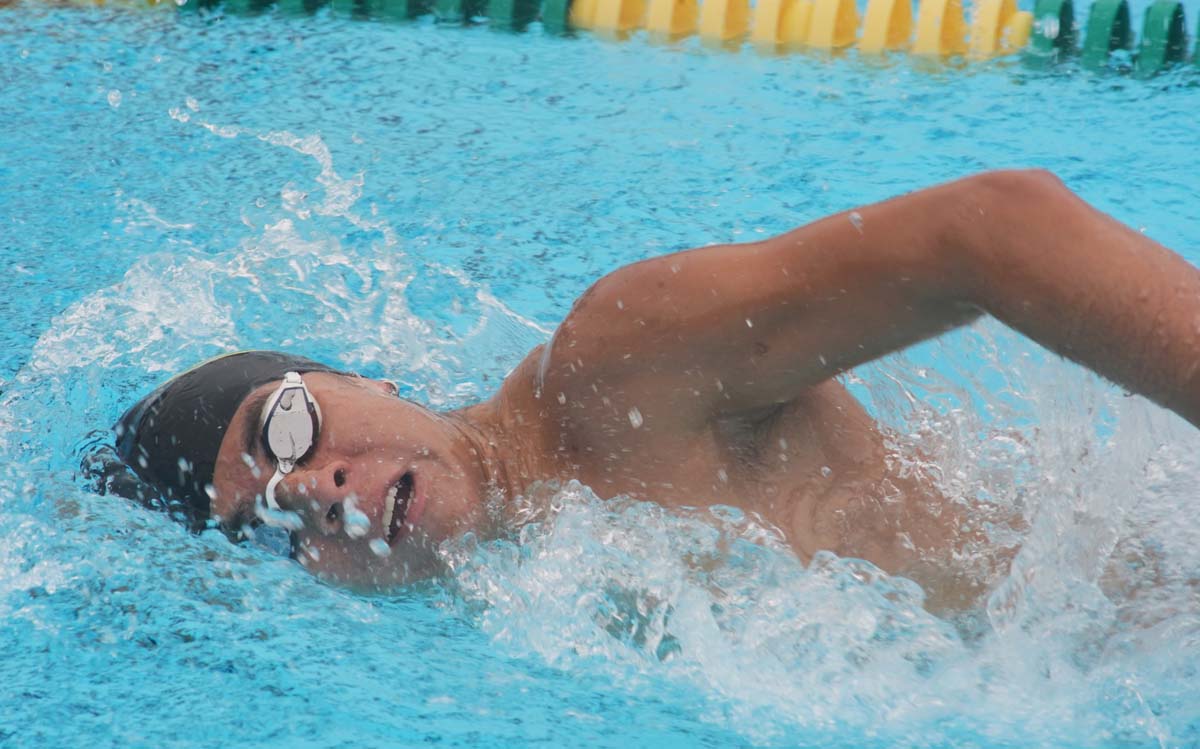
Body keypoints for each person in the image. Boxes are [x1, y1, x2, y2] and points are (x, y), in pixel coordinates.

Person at [95, 169, 1200, 611]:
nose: (320, 488)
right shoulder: (526, 604)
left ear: (361, 374)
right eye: (274, 520)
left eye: (289, 427)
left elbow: (990, 229)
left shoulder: (612, 369)